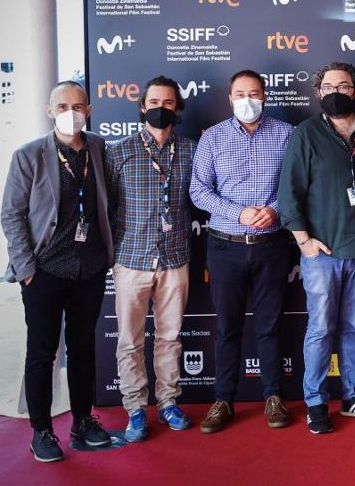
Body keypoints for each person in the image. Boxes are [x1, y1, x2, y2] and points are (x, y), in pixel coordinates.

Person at [1, 81, 115, 462]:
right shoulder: (29, 155)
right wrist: (27, 269)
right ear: (50, 110)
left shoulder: (100, 148)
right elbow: (12, 215)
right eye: (62, 105)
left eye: (78, 105)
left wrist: (106, 257)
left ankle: (83, 421)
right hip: (44, 271)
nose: (71, 111)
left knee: (83, 348)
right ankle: (42, 431)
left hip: (90, 269)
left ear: (90, 109)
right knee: (42, 353)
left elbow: (107, 205)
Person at [278, 62, 355, 434]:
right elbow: (288, 192)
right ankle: (315, 401)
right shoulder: (306, 134)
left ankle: (354, 396)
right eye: (328, 87)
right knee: (321, 329)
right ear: (318, 92)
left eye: (344, 85)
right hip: (322, 253)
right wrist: (303, 241)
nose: (336, 92)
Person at [189, 70, 294, 433]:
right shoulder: (213, 139)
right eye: (239, 94)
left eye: (254, 93)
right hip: (225, 246)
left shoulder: (285, 134)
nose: (247, 100)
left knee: (270, 326)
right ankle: (223, 400)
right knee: (227, 327)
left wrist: (276, 209)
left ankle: (273, 397)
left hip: (272, 246)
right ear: (229, 99)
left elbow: (298, 184)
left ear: (264, 96)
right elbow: (198, 191)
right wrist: (237, 212)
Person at [106, 75, 197, 441]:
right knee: (129, 339)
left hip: (175, 258)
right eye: (154, 102)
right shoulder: (119, 151)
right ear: (143, 106)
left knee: (170, 337)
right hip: (131, 259)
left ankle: (169, 402)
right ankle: (134, 409)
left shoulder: (191, 149)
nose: (161, 108)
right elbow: (106, 207)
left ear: (178, 108)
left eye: (169, 103)